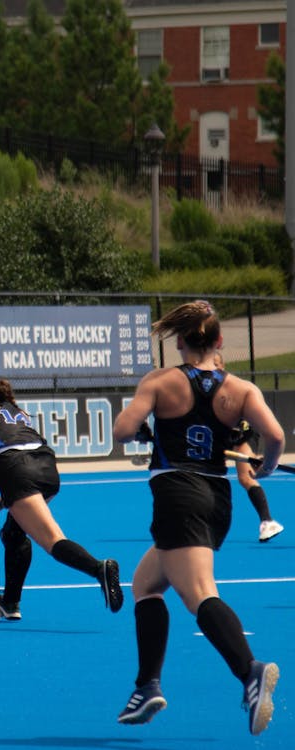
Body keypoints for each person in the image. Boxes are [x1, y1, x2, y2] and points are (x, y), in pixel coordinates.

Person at [112, 300, 283, 735]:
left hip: (177, 493)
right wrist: (264, 467)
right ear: (219, 341)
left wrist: (145, 425)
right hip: (217, 497)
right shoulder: (242, 389)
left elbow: (122, 430)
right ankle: (147, 685)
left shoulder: (161, 381)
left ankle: (250, 671)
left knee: (199, 594)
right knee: (146, 585)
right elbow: (276, 436)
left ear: (181, 341)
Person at [0, 378, 123, 621]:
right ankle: (10, 603)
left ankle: (100, 568)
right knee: (13, 533)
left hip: (15, 469)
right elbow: (17, 489)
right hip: (46, 467)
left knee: (53, 540)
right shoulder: (19, 413)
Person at [212, 355, 283, 542]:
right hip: (222, 438)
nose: (213, 367)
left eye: (217, 363)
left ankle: (268, 521)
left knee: (246, 476)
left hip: (244, 433)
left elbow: (249, 416)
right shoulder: (204, 389)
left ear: (223, 365)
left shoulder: (234, 387)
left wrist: (239, 435)